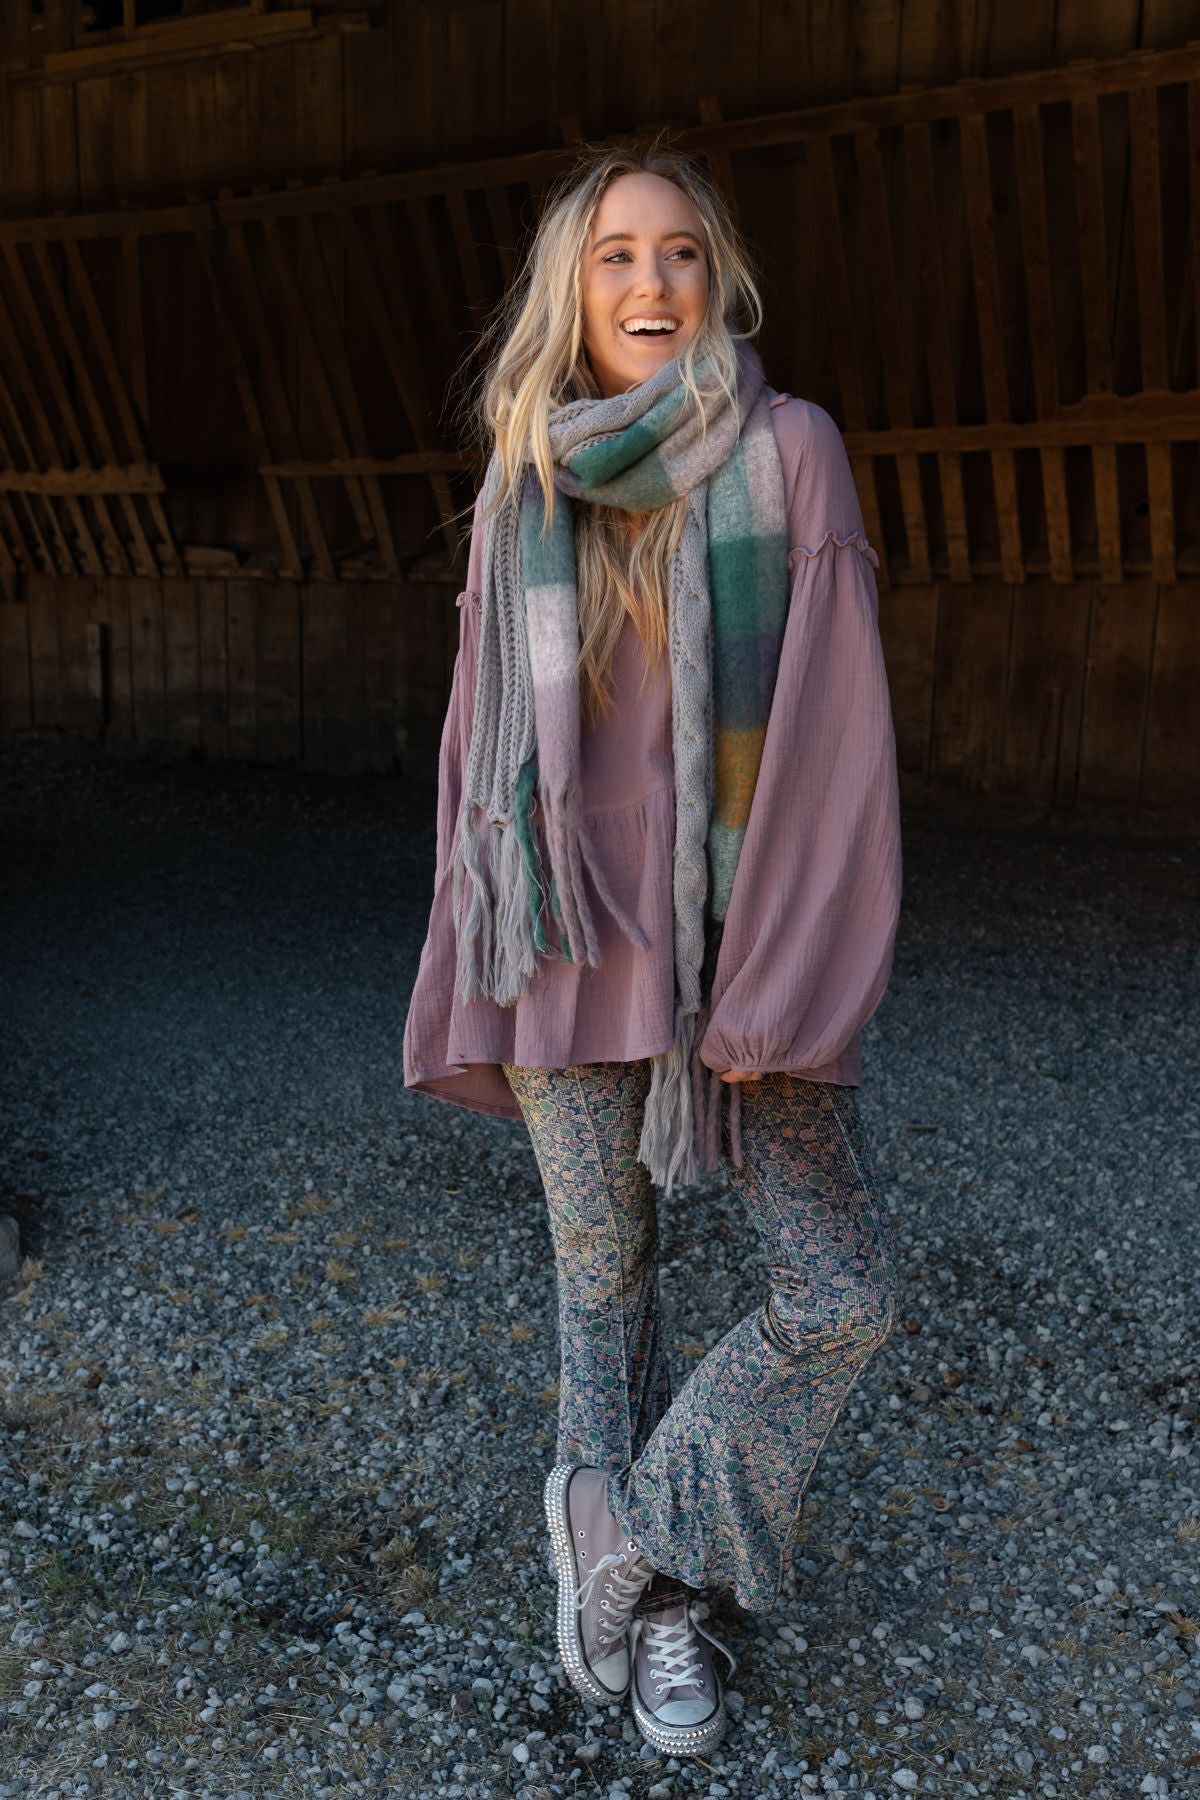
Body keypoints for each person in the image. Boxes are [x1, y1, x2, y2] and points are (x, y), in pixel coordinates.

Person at [403, 133, 903, 1759]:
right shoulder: (524, 478)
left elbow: (833, 741)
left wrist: (780, 979)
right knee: (602, 1287)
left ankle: (626, 1538)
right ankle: (663, 1614)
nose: (651, 281)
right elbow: (481, 752)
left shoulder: (790, 451)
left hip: (735, 954)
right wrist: (467, 957)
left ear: (718, 277)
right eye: (616, 255)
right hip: (563, 947)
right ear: (573, 288)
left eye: (680, 251)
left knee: (839, 1292)